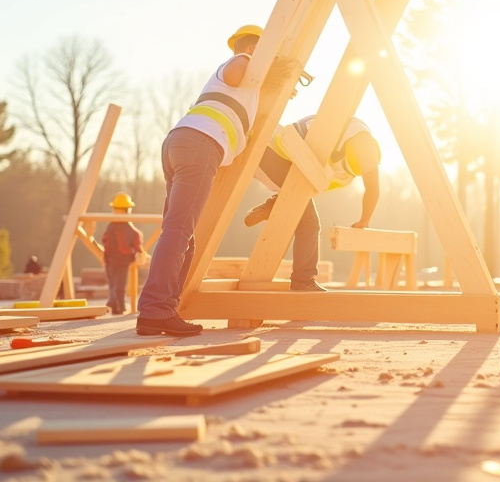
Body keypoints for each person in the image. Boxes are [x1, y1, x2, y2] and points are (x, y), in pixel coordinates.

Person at [136, 24, 292, 336]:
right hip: (199, 145)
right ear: (254, 50)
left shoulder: (245, 91)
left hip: (184, 143)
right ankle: (155, 310)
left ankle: (162, 309)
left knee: (183, 236)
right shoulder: (238, 65)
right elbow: (238, 68)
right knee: (178, 231)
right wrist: (253, 61)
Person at [242, 115, 382, 292]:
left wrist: (364, 220)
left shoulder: (344, 139)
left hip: (274, 158)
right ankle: (303, 281)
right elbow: (373, 188)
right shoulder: (361, 143)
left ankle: (275, 203)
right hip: (273, 153)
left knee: (306, 214)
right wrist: (364, 221)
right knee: (309, 223)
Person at [101, 192, 145, 315]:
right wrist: (138, 252)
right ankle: (117, 305)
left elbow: (105, 240)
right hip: (119, 260)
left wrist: (139, 252)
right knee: (117, 285)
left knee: (115, 285)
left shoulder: (112, 226)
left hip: (114, 260)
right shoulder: (126, 227)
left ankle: (117, 305)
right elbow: (137, 241)